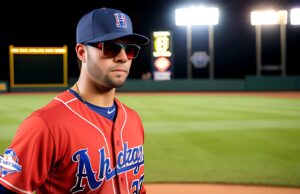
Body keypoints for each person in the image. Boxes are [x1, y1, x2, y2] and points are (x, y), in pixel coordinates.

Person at [0, 7, 149, 194]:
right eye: (111, 47)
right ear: (81, 52)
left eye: (130, 50)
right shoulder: (45, 125)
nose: (122, 58)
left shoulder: (133, 119)